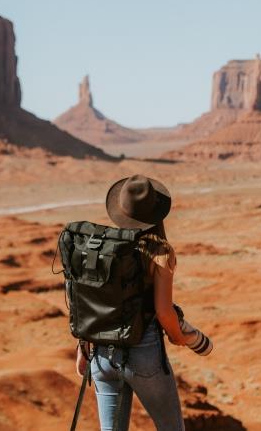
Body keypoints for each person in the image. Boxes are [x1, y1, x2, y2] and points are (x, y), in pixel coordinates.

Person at [75, 174, 186, 431]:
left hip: (101, 355)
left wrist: (82, 346)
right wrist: (180, 336)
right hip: (143, 355)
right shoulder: (159, 252)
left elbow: (89, 302)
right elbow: (163, 311)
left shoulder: (102, 249)